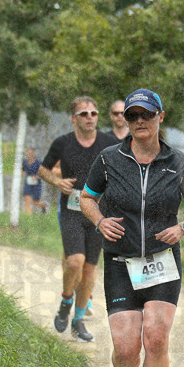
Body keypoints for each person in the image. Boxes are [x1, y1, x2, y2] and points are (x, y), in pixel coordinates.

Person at [81, 88, 184, 367]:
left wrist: (183, 228)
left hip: (162, 262)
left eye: (146, 115)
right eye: (132, 116)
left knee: (156, 337)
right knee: (125, 350)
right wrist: (99, 221)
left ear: (160, 117)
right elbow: (87, 198)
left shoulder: (179, 162)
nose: (139, 121)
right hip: (120, 262)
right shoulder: (109, 159)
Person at [38, 96, 118, 343]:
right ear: (74, 119)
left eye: (94, 113)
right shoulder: (63, 143)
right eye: (84, 114)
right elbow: (42, 169)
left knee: (90, 270)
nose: (90, 117)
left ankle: (78, 320)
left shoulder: (109, 143)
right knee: (75, 262)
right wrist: (57, 181)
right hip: (72, 211)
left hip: (98, 214)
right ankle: (66, 301)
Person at [21, 147, 48, 214]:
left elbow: (44, 172)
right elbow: (23, 170)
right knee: (27, 200)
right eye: (28, 153)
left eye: (31, 153)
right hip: (28, 183)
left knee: (35, 203)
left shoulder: (38, 162)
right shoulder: (24, 162)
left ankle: (43, 205)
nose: (29, 155)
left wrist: (37, 176)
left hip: (36, 184)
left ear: (34, 154)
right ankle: (28, 218)